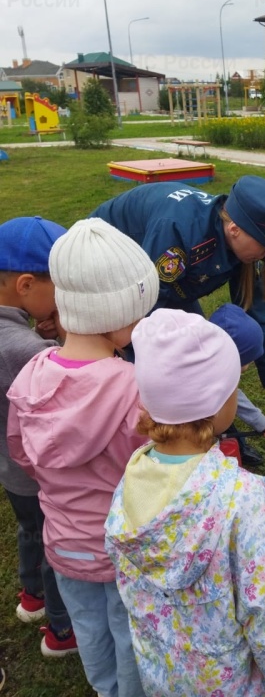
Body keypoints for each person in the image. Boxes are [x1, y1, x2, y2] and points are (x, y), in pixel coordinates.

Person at [105, 308, 265, 696]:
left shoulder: (130, 479)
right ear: (218, 402)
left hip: (163, 678)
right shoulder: (244, 500)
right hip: (233, 684)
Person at [8, 218, 159, 697]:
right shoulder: (131, 388)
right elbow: (149, 472)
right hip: (120, 553)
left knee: (90, 632)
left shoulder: (31, 374)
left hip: (63, 547)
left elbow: (23, 454)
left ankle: (104, 688)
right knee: (130, 636)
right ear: (114, 313)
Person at [90, 176, 265, 454]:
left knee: (197, 357)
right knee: (156, 362)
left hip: (168, 284)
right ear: (235, 229)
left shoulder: (245, 248)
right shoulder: (177, 231)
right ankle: (154, 440)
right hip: (111, 267)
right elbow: (147, 316)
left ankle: (215, 433)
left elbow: (256, 317)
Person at [0, 216, 78, 658]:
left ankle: (30, 597)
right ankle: (62, 631)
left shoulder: (13, 333)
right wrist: (65, 337)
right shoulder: (25, 350)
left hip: (11, 473)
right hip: (35, 473)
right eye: (61, 289)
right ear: (26, 284)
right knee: (55, 545)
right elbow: (68, 382)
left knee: (29, 528)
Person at [210, 303, 265, 446]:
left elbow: (232, 393)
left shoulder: (208, 364)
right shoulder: (209, 378)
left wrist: (262, 423)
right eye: (248, 359)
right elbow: (232, 394)